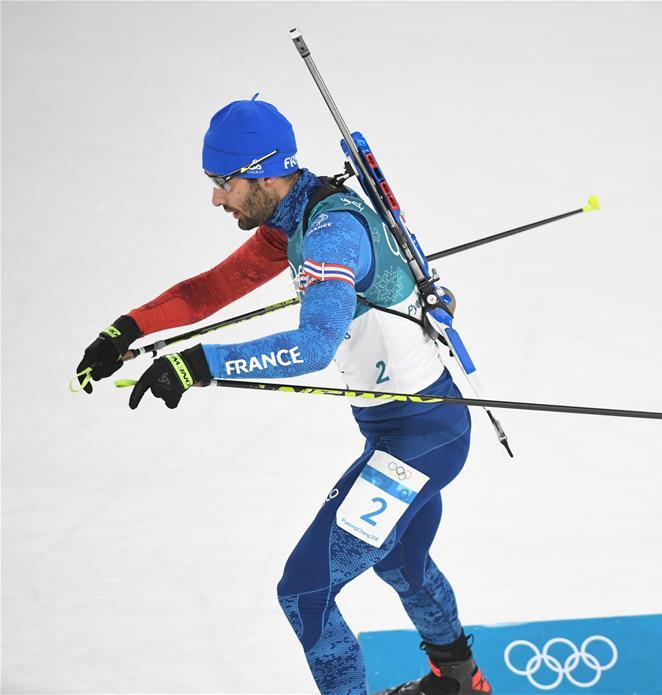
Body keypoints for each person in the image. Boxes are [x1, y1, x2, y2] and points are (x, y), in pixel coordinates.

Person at [74, 95, 492, 695]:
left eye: (225, 182)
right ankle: (459, 681)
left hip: (421, 440)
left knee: (304, 591)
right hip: (412, 431)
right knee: (402, 561)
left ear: (266, 172)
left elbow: (315, 344)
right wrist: (129, 329)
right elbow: (212, 288)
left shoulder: (331, 232)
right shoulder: (295, 220)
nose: (217, 198)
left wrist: (198, 365)